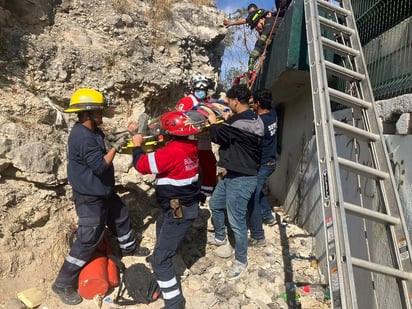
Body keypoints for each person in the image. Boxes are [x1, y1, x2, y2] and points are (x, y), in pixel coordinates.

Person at [52, 88, 149, 306]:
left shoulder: (93, 131)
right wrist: (114, 148)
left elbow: (103, 145)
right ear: (87, 113)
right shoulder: (81, 137)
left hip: (102, 191)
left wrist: (123, 134)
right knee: (88, 238)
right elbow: (99, 165)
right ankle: (62, 282)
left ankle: (129, 248)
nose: (102, 114)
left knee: (120, 215)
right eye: (98, 111)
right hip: (89, 196)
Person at [128, 110, 200, 309]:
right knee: (161, 223)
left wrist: (136, 145)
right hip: (181, 206)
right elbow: (168, 154)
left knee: (161, 261)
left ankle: (174, 302)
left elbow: (142, 165)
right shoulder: (190, 146)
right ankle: (161, 254)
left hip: (180, 210)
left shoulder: (171, 152)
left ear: (170, 134)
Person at [206, 85, 264, 280]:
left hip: (242, 179)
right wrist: (229, 119)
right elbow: (236, 133)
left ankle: (241, 260)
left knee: (237, 221)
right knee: (215, 204)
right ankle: (220, 236)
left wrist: (214, 122)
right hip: (234, 174)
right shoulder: (255, 119)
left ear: (235, 101)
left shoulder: (237, 123)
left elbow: (216, 136)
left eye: (229, 101)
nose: (227, 103)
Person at [176, 73, 218, 204]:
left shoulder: (206, 101)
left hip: (204, 140)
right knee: (190, 169)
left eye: (203, 90)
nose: (201, 92)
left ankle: (206, 192)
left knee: (210, 165)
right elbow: (180, 118)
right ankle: (189, 194)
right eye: (198, 90)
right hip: (190, 141)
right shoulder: (187, 101)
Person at [248, 89, 279, 247]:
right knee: (257, 190)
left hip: (263, 165)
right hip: (272, 162)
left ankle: (258, 236)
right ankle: (268, 216)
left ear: (258, 103)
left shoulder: (259, 124)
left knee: (252, 197)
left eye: (254, 102)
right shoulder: (272, 113)